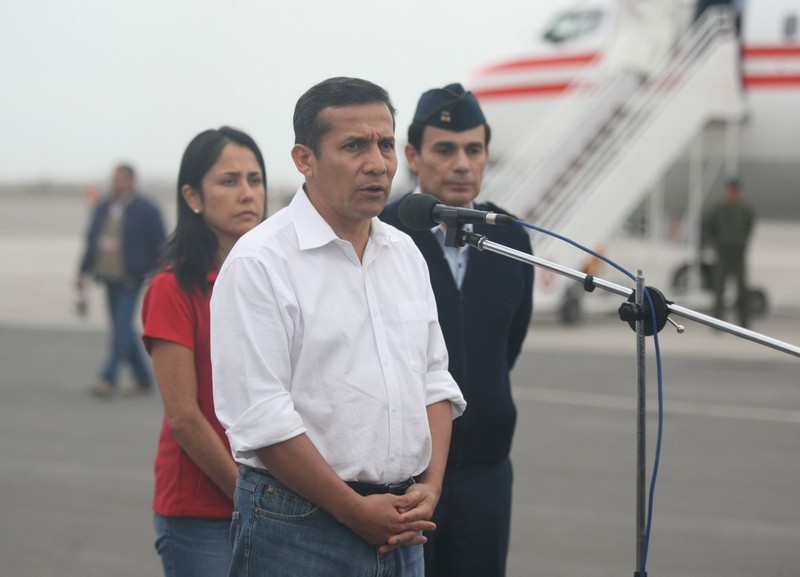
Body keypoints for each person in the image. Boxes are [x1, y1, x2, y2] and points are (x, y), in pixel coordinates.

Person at [210, 77, 467, 577]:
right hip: (298, 525)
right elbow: (262, 419)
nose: (378, 162)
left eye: (385, 144)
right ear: (304, 158)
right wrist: (353, 510)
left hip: (402, 523)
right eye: (354, 145)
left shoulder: (405, 254)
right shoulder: (261, 262)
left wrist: (429, 487)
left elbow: (434, 382)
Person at [380, 83, 534, 577]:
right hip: (399, 481)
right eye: (445, 150)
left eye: (474, 149)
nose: (462, 164)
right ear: (413, 155)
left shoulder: (510, 239)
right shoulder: (381, 235)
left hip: (484, 476)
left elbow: (506, 347)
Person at [140, 127, 267, 577]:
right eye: (229, 181)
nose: (247, 193)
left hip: (278, 505)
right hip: (202, 513)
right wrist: (252, 499)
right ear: (193, 196)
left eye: (255, 179)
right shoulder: (172, 288)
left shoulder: (275, 280)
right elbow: (184, 417)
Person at [76, 164, 166, 397]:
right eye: (114, 178)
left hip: (131, 277)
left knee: (122, 328)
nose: (116, 183)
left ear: (131, 181)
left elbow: (161, 244)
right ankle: (143, 378)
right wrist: (82, 272)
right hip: (108, 275)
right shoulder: (104, 207)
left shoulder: (146, 209)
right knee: (121, 328)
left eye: (121, 179)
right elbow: (92, 240)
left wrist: (160, 274)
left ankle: (108, 378)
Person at [704, 177, 755, 327]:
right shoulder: (718, 210)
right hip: (723, 254)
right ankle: (717, 321)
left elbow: (749, 226)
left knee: (742, 287)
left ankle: (744, 320)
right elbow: (709, 227)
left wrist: (742, 243)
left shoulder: (744, 210)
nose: (733, 193)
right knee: (719, 287)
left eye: (735, 190)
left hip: (738, 254)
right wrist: (717, 244)